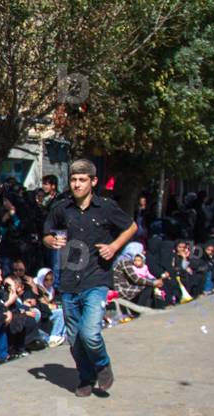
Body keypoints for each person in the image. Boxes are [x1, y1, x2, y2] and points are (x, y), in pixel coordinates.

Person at [43, 159, 138, 396]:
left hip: (96, 278)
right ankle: (86, 378)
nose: (76, 184)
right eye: (73, 179)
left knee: (90, 333)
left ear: (93, 181)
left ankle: (102, 364)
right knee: (74, 339)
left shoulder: (106, 207)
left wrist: (114, 246)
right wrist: (52, 241)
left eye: (82, 180)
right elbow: (45, 234)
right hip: (68, 281)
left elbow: (131, 227)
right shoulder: (61, 208)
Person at [112, 243, 167, 309]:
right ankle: (140, 309)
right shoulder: (125, 261)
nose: (143, 252)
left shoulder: (130, 260)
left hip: (129, 285)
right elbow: (136, 279)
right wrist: (153, 283)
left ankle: (156, 306)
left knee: (151, 283)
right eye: (141, 251)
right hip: (124, 289)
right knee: (148, 286)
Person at [33, 268, 67, 344]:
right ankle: (55, 336)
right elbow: (44, 303)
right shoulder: (36, 287)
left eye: (51, 280)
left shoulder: (51, 289)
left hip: (48, 311)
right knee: (60, 312)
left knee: (65, 311)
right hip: (41, 312)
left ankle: (62, 335)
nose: (49, 282)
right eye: (46, 280)